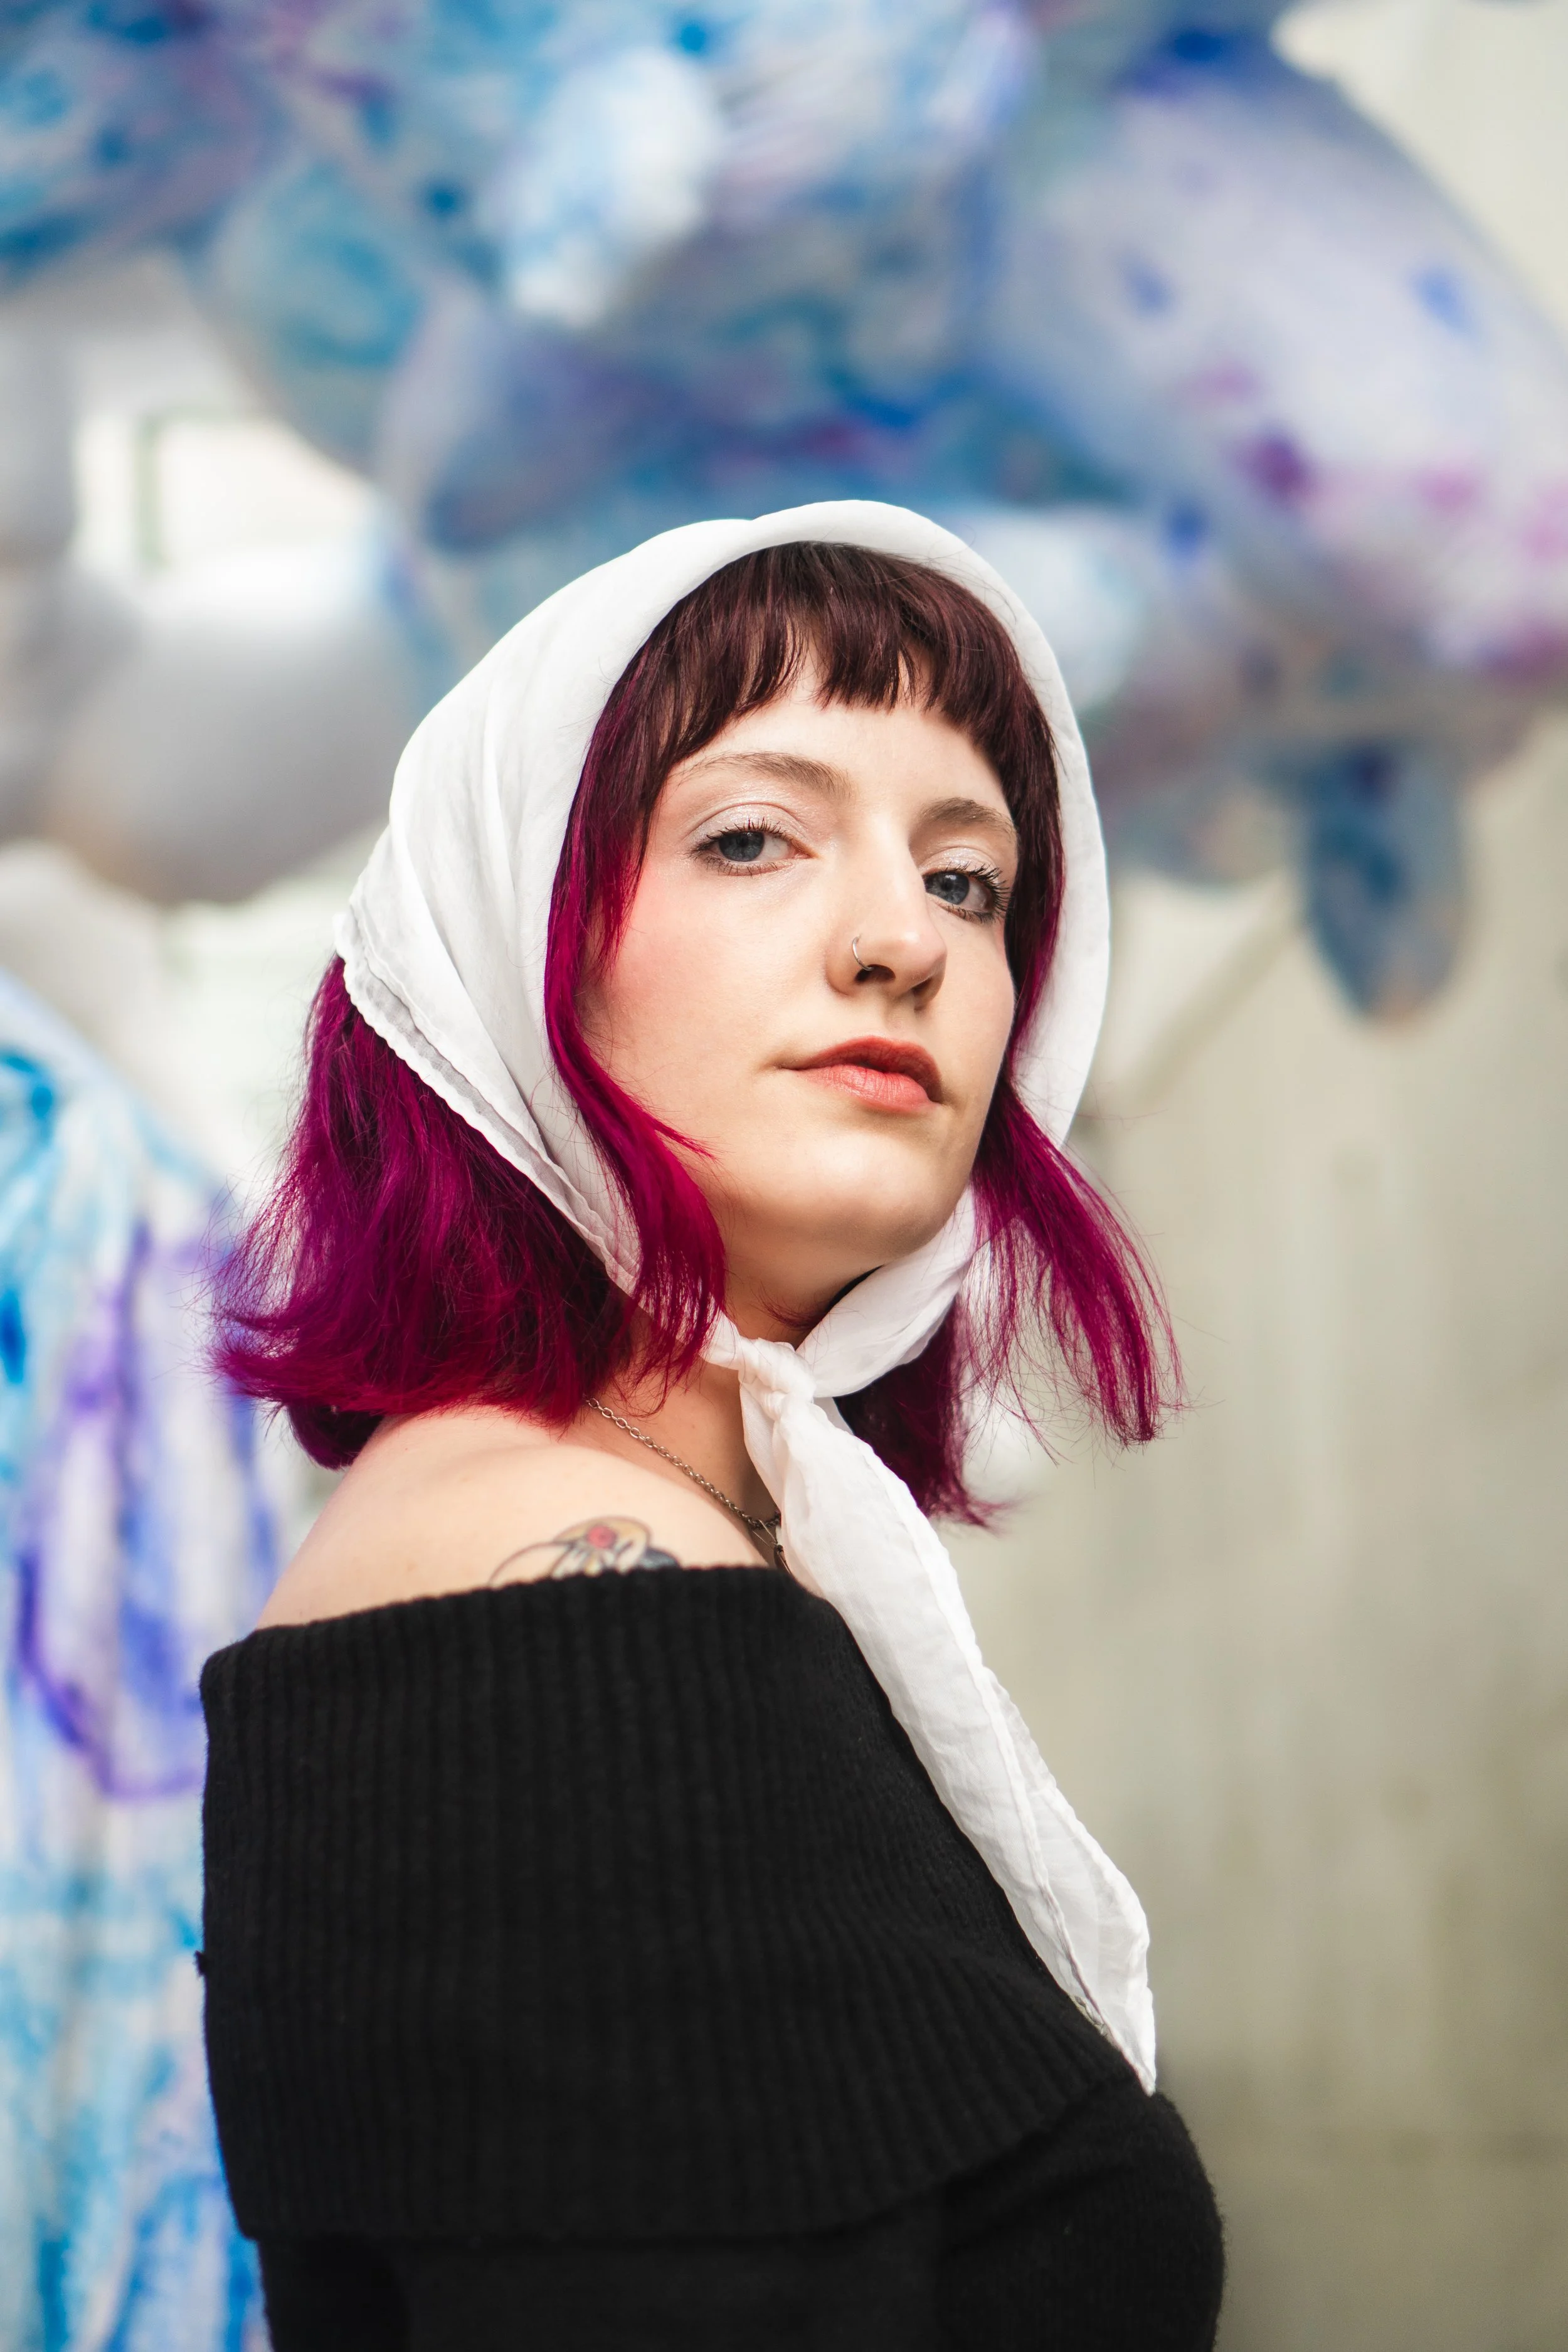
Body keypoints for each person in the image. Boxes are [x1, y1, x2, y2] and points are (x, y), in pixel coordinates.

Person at [200, 504, 1226, 2349]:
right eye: (754, 834)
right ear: (510, 945)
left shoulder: (669, 1546)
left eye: (968, 879)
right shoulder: (560, 1595)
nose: (899, 940)